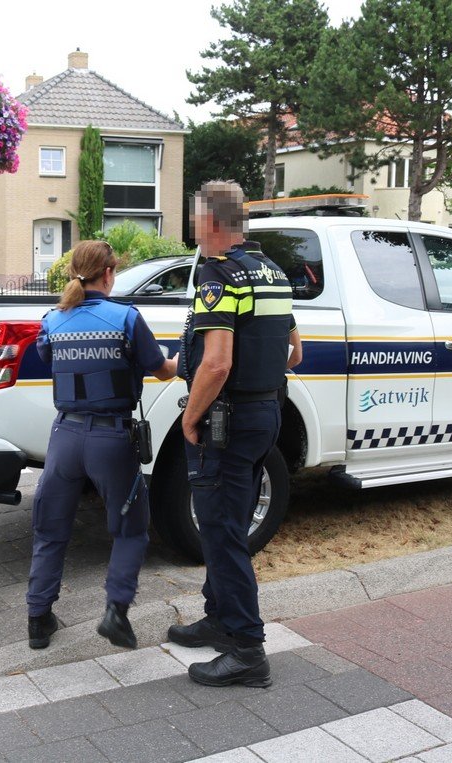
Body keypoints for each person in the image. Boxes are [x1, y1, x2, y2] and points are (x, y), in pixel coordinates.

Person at [169, 180, 302, 687]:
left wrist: (189, 416)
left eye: (194, 217)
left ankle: (247, 649)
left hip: (225, 421)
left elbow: (218, 363)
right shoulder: (272, 272)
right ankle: (219, 617)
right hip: (264, 414)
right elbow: (295, 353)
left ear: (212, 223)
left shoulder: (217, 276)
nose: (191, 227)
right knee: (231, 521)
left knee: (222, 533)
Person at [27, 240, 178, 651]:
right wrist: (185, 363)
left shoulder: (53, 319)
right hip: (111, 438)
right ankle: (115, 612)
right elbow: (161, 369)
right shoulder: (126, 318)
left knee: (51, 527)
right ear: (109, 273)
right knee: (130, 528)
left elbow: (47, 357)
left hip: (65, 437)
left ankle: (38, 620)